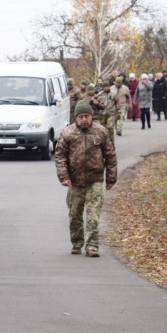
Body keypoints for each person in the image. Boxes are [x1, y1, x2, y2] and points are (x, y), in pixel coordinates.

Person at [55, 101, 118, 258]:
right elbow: (60, 156)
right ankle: (77, 243)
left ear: (92, 117)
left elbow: (110, 156)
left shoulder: (101, 132)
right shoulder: (67, 133)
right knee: (75, 214)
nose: (84, 120)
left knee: (93, 214)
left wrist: (111, 178)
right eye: (81, 117)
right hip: (74, 181)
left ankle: (92, 246)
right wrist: (64, 177)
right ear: (76, 117)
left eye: (87, 116)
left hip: (95, 180)